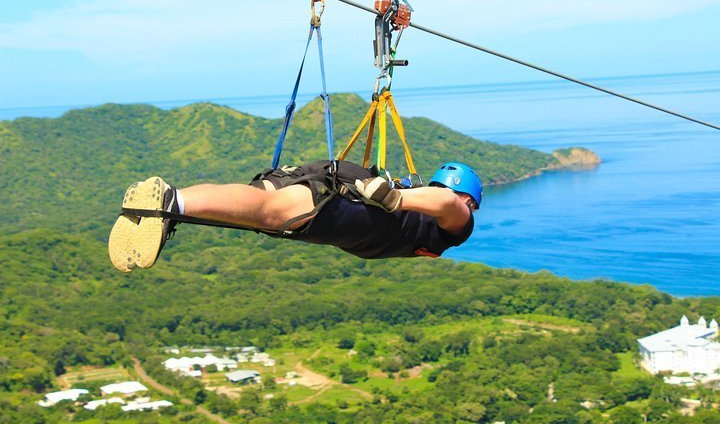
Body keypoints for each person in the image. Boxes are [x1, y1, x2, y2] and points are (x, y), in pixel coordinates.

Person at [109, 160, 482, 273]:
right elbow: (449, 205)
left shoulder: (419, 202)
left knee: (260, 204)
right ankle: (172, 204)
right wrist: (396, 199)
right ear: (470, 198)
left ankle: (175, 201)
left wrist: (397, 195)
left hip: (339, 180)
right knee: (273, 213)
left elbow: (438, 199)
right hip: (353, 209)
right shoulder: (454, 222)